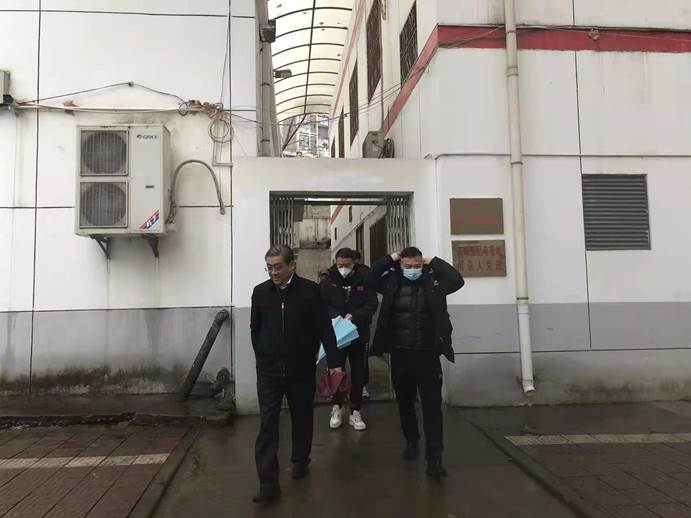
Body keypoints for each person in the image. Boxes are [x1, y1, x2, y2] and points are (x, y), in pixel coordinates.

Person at [250, 245, 345, 504]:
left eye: (278, 267)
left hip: (301, 369)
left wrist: (335, 364)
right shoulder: (260, 292)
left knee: (302, 418)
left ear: (292, 265)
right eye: (269, 268)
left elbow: (325, 329)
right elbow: (255, 329)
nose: (274, 272)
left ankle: (301, 459)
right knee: (267, 425)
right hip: (269, 372)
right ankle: (268, 484)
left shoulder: (310, 291)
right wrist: (263, 357)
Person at [367, 247, 464, 479]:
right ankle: (412, 440)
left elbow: (457, 280)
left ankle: (435, 457)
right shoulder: (391, 282)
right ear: (400, 265)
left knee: (432, 406)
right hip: (400, 353)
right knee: (405, 401)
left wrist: (433, 261)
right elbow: (369, 278)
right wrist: (389, 258)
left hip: (428, 353)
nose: (413, 270)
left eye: (417, 266)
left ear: (423, 264)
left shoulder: (433, 281)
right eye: (408, 266)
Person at [320, 248, 378, 431]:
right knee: (336, 372)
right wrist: (335, 316)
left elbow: (372, 303)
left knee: (358, 373)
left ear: (354, 263)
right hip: (336, 334)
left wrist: (355, 316)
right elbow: (322, 303)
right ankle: (337, 407)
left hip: (358, 333)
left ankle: (355, 411)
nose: (343, 269)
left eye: (346, 265)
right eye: (340, 265)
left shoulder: (366, 278)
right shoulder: (328, 279)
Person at [352, 249, 372, 399]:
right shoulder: (335, 275)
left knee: (361, 360)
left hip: (361, 326)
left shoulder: (366, 274)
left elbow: (371, 301)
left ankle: (362, 385)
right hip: (341, 325)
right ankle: (337, 392)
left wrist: (357, 315)